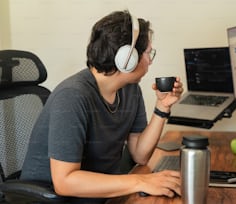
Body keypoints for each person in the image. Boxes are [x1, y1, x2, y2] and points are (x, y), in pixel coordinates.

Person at [21, 10, 183, 203]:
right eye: (149, 53)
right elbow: (65, 182)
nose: (150, 60)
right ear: (127, 58)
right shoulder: (72, 96)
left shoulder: (130, 90)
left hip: (101, 197)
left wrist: (162, 107)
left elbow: (140, 155)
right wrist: (139, 181)